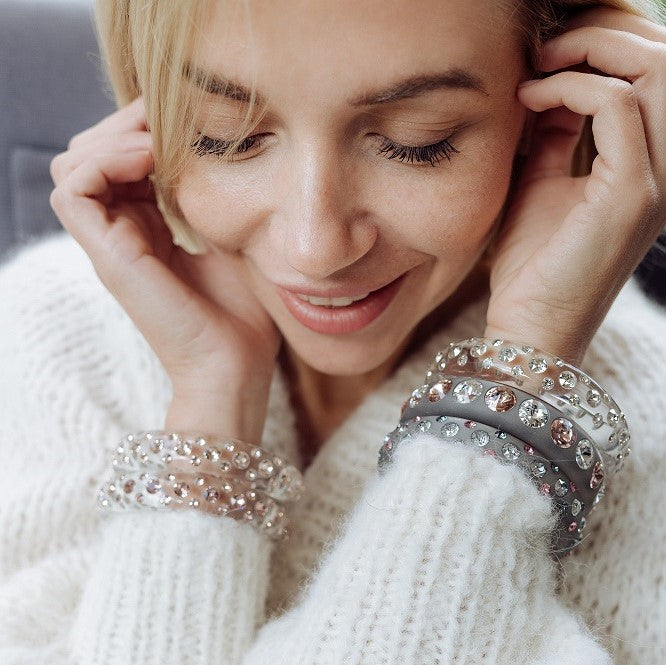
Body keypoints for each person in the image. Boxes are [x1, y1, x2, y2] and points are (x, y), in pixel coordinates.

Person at [1, 0, 665, 662]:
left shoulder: (651, 434)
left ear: (548, 115)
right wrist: (211, 401)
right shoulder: (54, 337)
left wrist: (519, 384)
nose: (315, 248)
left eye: (418, 141)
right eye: (224, 135)